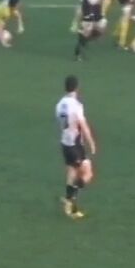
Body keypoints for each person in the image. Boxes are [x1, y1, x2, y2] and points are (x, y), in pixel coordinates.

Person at [56, 75, 96, 219]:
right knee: (87, 174)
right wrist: (91, 142)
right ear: (77, 87)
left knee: (72, 172)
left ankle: (70, 203)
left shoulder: (60, 104)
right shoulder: (76, 105)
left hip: (65, 143)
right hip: (75, 145)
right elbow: (83, 125)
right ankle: (70, 200)